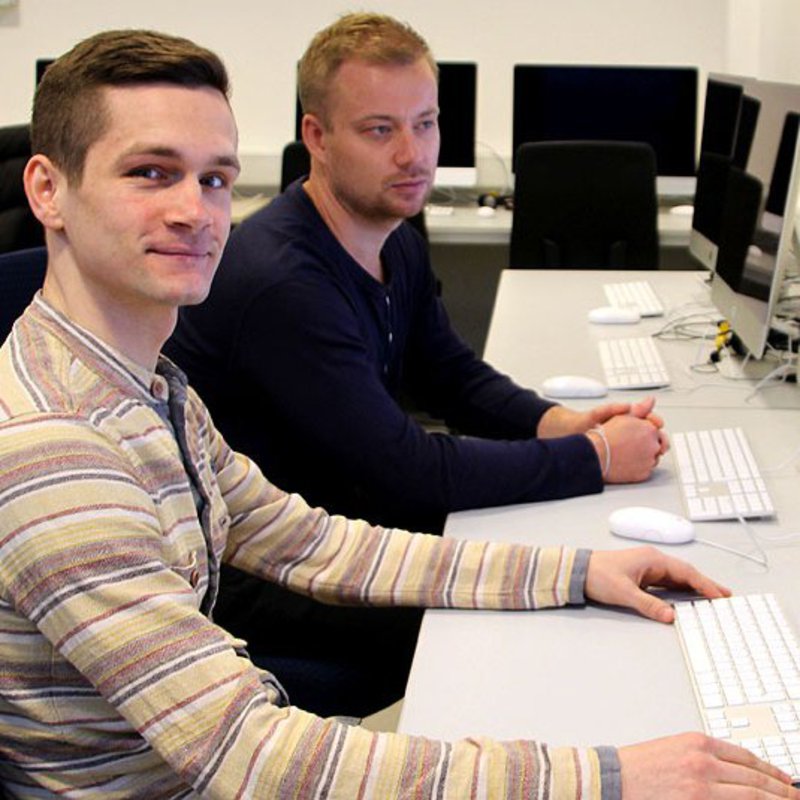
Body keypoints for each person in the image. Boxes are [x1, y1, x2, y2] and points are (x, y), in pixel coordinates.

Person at [0, 27, 795, 800]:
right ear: (48, 190)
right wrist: (614, 779)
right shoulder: (57, 451)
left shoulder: (149, 385)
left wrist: (576, 572)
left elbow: (315, 543)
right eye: (150, 172)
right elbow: (254, 760)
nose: (196, 212)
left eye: (214, 179)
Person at [165, 11, 669, 716]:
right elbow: (406, 473)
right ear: (316, 136)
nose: (413, 154)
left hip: (345, 531)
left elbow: (449, 373)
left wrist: (558, 423)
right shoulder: (286, 283)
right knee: (523, 624)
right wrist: (592, 458)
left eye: (425, 123)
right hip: (270, 576)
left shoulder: (388, 233)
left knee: (555, 573)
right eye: (381, 130)